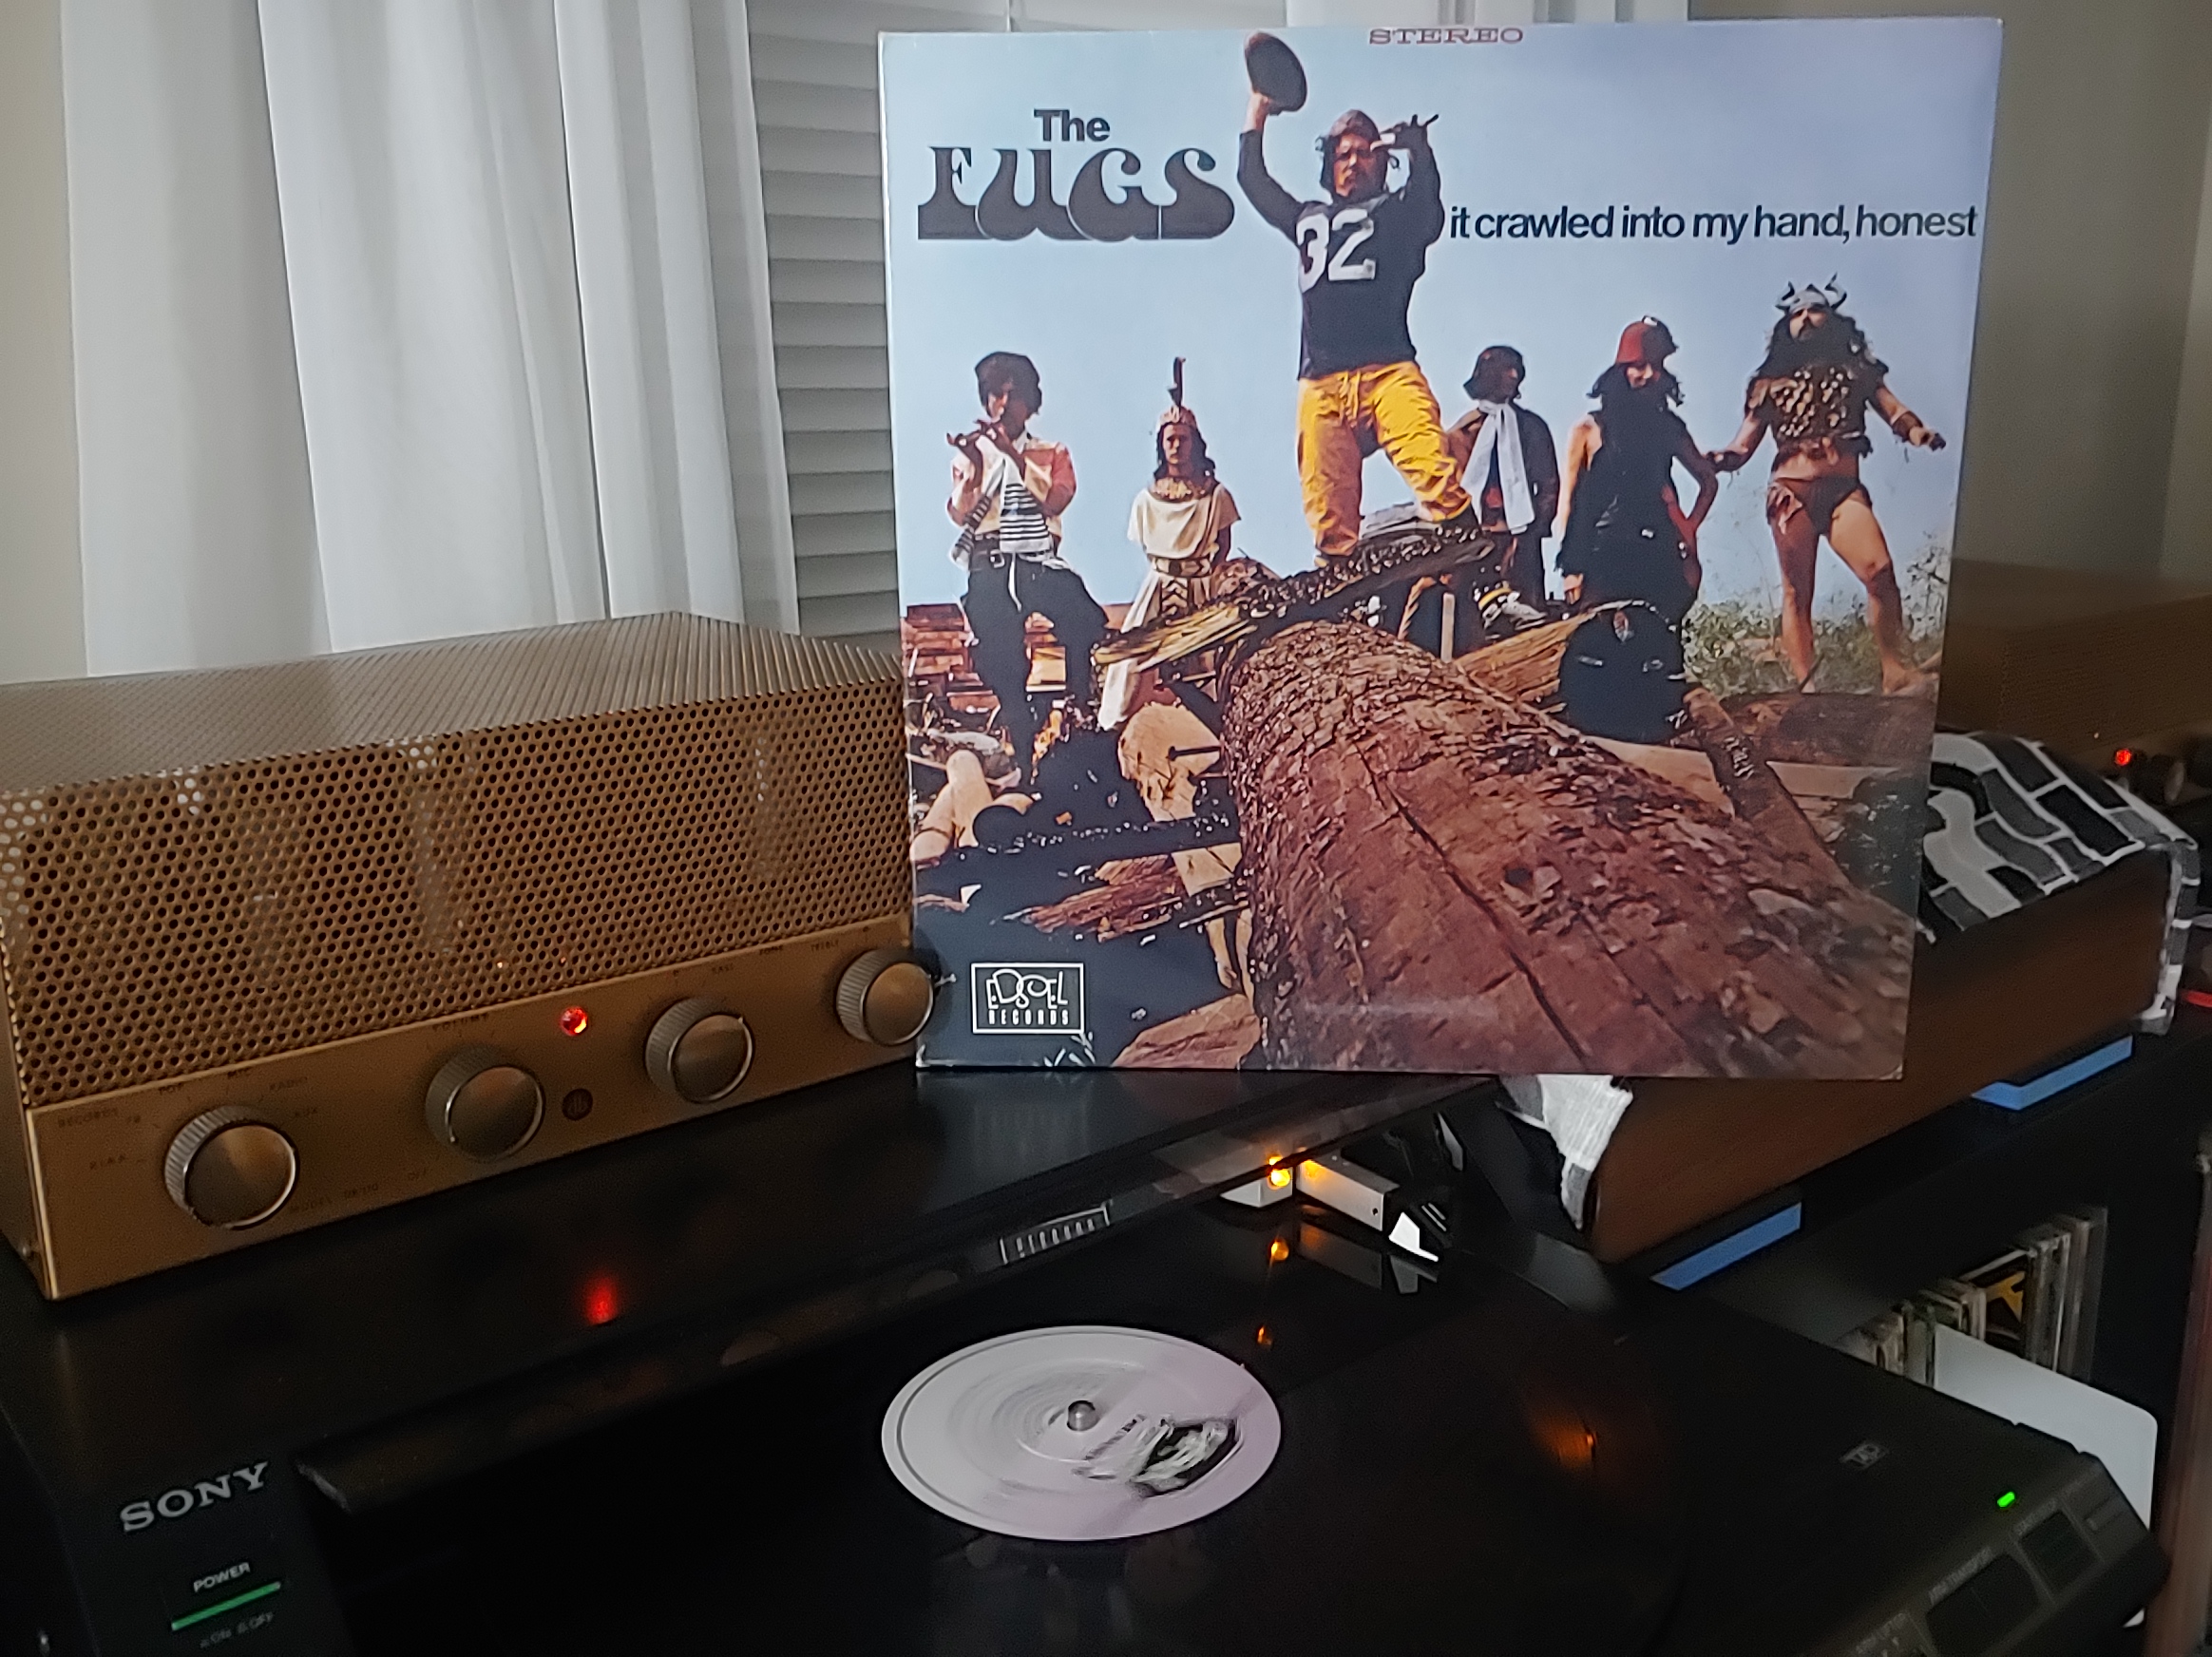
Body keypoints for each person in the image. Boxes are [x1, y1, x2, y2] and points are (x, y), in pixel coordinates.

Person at [1238, 93, 1474, 562]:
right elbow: (1254, 180)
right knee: (1329, 518)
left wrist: (1419, 151)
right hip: (1321, 383)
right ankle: (1341, 594)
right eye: (1343, 154)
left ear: (1382, 163)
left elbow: (1427, 209)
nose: (1353, 163)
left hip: (1388, 371)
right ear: (1329, 165)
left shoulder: (1395, 211)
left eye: (1365, 153)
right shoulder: (1307, 217)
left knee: (1436, 475)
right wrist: (1259, 108)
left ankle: (1476, 573)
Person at [1708, 282, 1944, 695]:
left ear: (1831, 320)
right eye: (1796, 314)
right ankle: (1807, 687)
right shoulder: (1769, 383)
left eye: (1814, 311)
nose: (1805, 319)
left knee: (1879, 571)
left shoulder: (1857, 371)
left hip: (1843, 492)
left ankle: (1894, 669)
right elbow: (1743, 444)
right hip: (1791, 493)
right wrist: (1721, 457)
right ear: (1785, 326)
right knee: (1797, 593)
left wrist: (1917, 432)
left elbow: (1894, 410)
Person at [947, 351, 1107, 773]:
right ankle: (1019, 731)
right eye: (992, 395)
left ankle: (1078, 709)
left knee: (1082, 615)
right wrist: (975, 467)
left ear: (1030, 402)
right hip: (989, 563)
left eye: (1010, 394)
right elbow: (961, 514)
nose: (1000, 405)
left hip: (1036, 561)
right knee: (997, 652)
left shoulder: (1051, 452)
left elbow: (1054, 500)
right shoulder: (972, 454)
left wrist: (1015, 460)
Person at [1099, 363, 1249, 731]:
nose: (1177, 446)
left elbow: (1224, 542)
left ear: (1195, 444)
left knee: (1213, 659)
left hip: (1202, 585)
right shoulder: (1146, 500)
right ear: (1160, 445)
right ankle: (1116, 725)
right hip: (1158, 585)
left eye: (1183, 439)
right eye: (1170, 440)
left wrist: (1207, 575)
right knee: (1133, 658)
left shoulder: (1215, 495)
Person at [1555, 318, 1718, 624]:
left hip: (1658, 548)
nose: (1650, 374)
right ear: (1622, 369)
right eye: (1640, 365)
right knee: (1599, 636)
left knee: (1657, 636)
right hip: (1602, 553)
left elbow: (1707, 481)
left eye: (1656, 366)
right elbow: (1570, 503)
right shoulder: (1589, 429)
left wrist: (1689, 529)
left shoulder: (1669, 428)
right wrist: (1572, 568)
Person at [1437, 344, 1561, 643]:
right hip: (1471, 541)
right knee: (1470, 628)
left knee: (1528, 623)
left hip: (1521, 541)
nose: (1513, 376)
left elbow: (1549, 486)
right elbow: (1447, 493)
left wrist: (1531, 530)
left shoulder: (1532, 429)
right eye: (1505, 369)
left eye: (1516, 369)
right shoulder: (1459, 435)